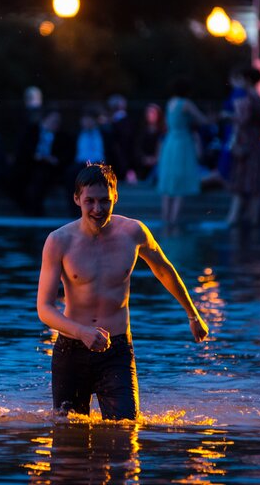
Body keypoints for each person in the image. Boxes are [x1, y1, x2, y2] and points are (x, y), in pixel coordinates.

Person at [36, 163, 209, 420]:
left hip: (116, 350)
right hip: (71, 350)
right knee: (68, 444)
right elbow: (44, 308)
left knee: (126, 433)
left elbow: (164, 270)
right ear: (76, 199)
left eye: (105, 201)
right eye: (90, 201)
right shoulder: (59, 240)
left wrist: (193, 314)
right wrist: (81, 332)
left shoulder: (133, 232)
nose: (97, 209)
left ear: (116, 196)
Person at [157, 78, 210, 227]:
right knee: (180, 184)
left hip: (170, 142)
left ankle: (165, 221)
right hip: (182, 143)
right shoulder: (186, 103)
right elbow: (203, 120)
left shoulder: (170, 102)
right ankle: (174, 222)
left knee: (168, 184)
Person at [225, 67, 260, 227]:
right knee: (252, 185)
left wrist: (229, 116)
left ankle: (236, 219)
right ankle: (249, 219)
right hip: (252, 145)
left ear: (247, 80)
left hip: (247, 146)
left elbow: (244, 120)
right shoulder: (256, 97)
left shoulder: (250, 98)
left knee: (244, 185)